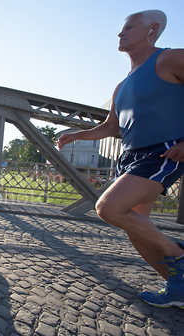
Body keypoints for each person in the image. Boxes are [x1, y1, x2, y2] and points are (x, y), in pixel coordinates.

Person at [57, 10, 184, 308]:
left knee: (108, 208)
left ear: (152, 29)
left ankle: (179, 255)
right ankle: (178, 288)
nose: (120, 33)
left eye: (129, 27)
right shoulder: (123, 84)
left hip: (161, 152)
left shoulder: (169, 59)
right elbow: (111, 127)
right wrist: (78, 135)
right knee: (136, 227)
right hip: (129, 157)